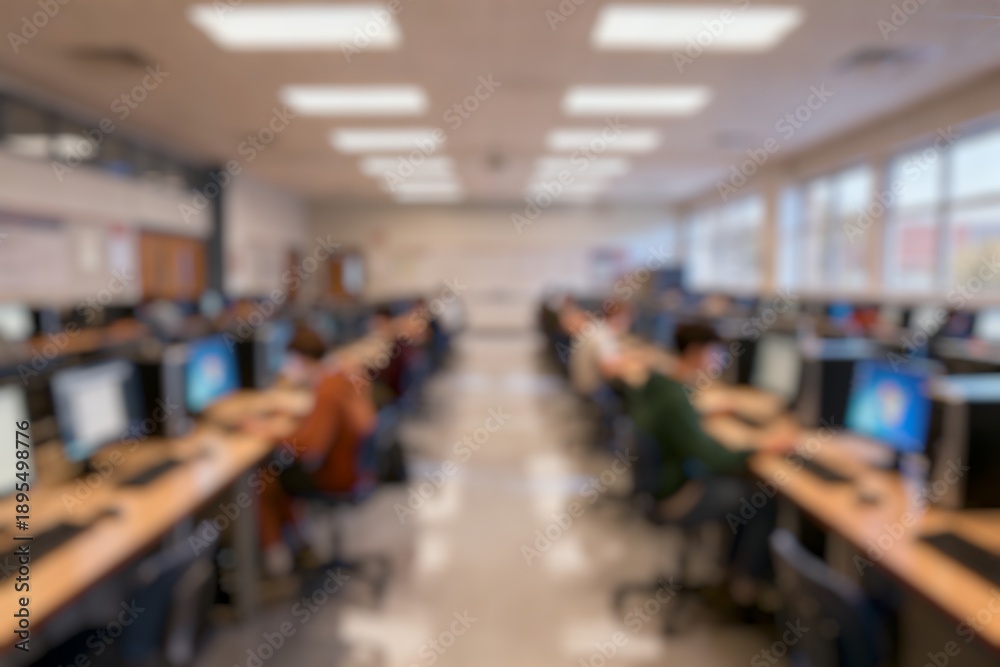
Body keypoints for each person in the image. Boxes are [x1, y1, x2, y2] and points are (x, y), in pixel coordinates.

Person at [619, 322, 797, 604]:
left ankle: (730, 573)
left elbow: (685, 430)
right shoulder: (675, 399)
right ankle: (745, 588)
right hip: (675, 494)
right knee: (762, 500)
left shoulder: (661, 383)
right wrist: (760, 446)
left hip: (659, 484)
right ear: (695, 352)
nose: (720, 361)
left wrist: (704, 416)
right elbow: (711, 458)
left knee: (745, 487)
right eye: (715, 354)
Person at [256, 325, 377, 576]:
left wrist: (269, 432)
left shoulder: (327, 390)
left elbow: (310, 449)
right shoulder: (341, 376)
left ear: (300, 360)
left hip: (338, 477)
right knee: (275, 473)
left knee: (264, 481)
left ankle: (276, 562)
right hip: (359, 467)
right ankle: (300, 543)